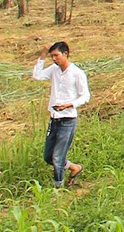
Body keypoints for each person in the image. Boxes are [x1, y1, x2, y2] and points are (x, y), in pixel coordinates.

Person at [31, 41, 89, 186]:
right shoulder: (54, 70)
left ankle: (58, 187)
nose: (54, 59)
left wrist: (70, 104)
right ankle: (74, 167)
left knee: (58, 157)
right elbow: (37, 75)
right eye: (52, 56)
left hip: (67, 120)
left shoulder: (77, 73)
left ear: (65, 54)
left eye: (56, 55)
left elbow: (85, 96)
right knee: (48, 157)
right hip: (54, 118)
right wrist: (43, 55)